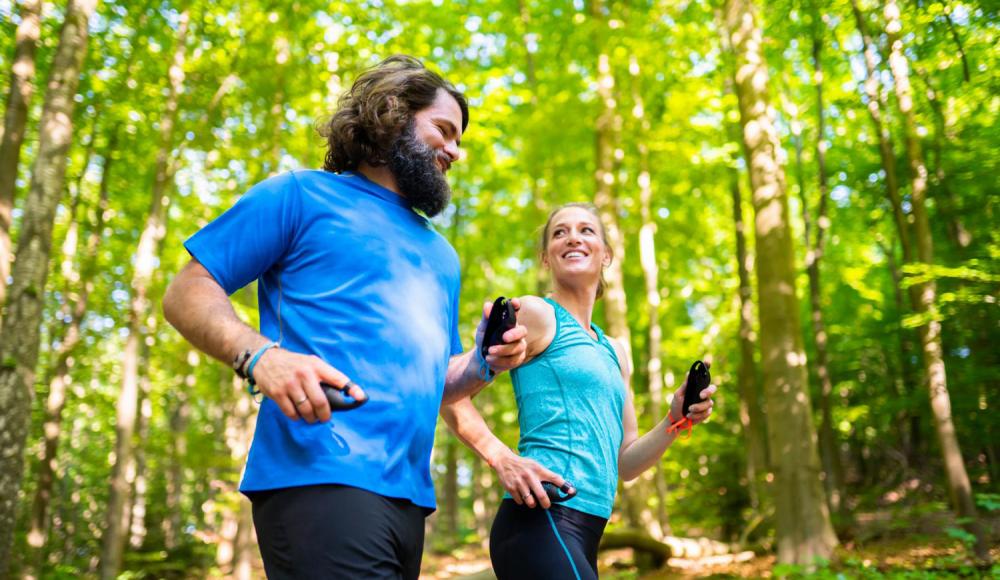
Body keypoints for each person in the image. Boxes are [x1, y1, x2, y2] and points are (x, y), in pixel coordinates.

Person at [162, 55, 527, 579]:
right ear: (393, 113)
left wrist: (482, 364)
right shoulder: (299, 195)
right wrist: (263, 357)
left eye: (459, 140)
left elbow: (436, 383)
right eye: (444, 131)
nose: (455, 151)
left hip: (409, 499)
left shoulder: (442, 254)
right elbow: (187, 291)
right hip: (317, 473)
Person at [441, 203, 717, 580]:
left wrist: (674, 420)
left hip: (587, 533)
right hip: (538, 519)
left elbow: (627, 464)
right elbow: (449, 391)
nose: (573, 237)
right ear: (545, 258)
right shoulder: (538, 314)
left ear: (606, 254)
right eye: (559, 232)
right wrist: (500, 457)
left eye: (587, 230)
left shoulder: (616, 351)